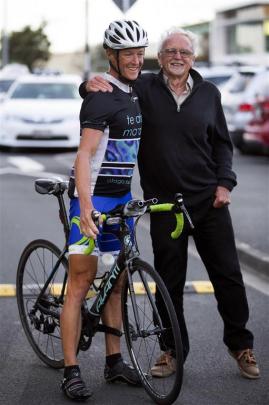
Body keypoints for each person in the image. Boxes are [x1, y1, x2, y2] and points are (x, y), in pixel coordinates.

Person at [80, 27, 260, 380]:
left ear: (193, 59)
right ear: (159, 58)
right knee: (168, 281)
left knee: (228, 277)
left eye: (185, 52)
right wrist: (85, 85)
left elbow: (223, 144)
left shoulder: (209, 93)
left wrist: (225, 184)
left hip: (209, 202)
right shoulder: (142, 87)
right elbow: (107, 92)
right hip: (163, 206)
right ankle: (171, 351)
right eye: (170, 51)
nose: (178, 57)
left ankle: (241, 345)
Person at [60, 20, 149, 401]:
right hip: (93, 201)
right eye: (127, 53)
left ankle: (114, 364)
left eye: (140, 52)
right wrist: (83, 207)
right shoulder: (100, 96)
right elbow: (84, 154)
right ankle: (70, 370)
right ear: (111, 55)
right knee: (81, 283)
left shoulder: (136, 91)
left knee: (116, 282)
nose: (135, 59)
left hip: (119, 201)